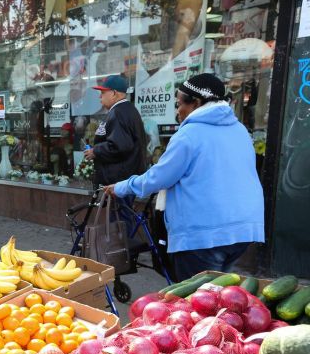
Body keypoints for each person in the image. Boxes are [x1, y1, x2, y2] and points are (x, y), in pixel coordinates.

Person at [105, 73, 264, 281]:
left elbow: (159, 178)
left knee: (195, 303)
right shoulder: (239, 130)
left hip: (205, 234)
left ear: (196, 103)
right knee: (217, 295)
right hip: (243, 230)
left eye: (179, 104)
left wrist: (121, 187)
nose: (177, 111)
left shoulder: (189, 134)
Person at [85, 75, 148, 223]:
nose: (100, 97)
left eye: (103, 92)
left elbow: (120, 146)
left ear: (114, 93)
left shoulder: (119, 112)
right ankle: (122, 244)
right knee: (121, 219)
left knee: (120, 222)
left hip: (121, 179)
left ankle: (122, 245)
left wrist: (95, 151)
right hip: (125, 177)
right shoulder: (125, 110)